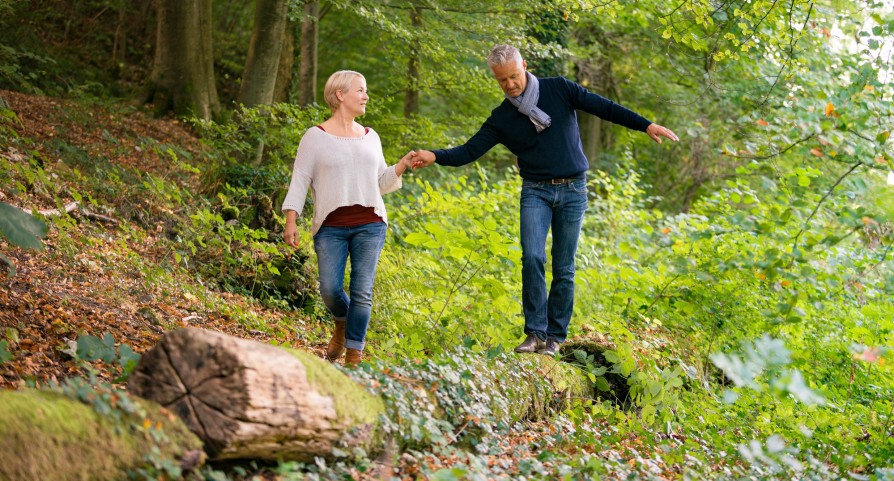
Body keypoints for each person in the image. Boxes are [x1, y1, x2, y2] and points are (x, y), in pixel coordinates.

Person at [411, 45, 678, 357]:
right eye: (502, 80)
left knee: (564, 267)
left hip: (573, 191)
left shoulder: (559, 89)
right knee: (532, 257)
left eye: (514, 76)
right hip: (535, 192)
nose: (510, 84)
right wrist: (434, 155)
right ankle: (535, 333)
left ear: (524, 65)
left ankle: (555, 338)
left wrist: (645, 124)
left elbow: (603, 107)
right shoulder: (502, 118)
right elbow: (468, 151)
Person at [282, 70, 416, 367]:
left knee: (361, 291)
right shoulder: (315, 137)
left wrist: (402, 165)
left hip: (370, 224)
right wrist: (291, 220)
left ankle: (354, 356)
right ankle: (341, 324)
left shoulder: (371, 137)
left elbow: (381, 182)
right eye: (360, 90)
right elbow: (300, 180)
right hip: (330, 227)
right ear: (340, 95)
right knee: (330, 290)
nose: (366, 96)